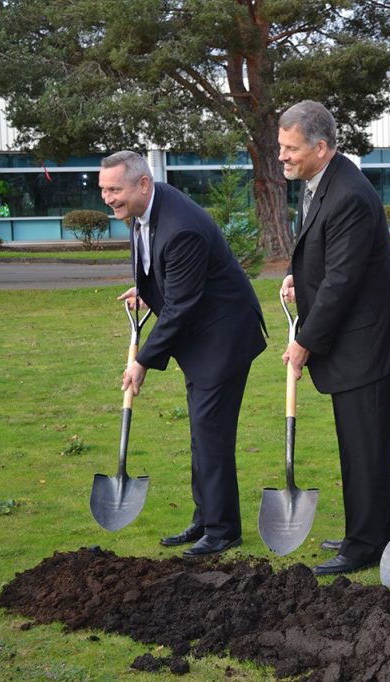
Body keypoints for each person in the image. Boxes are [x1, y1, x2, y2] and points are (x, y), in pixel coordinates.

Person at [99, 150, 266, 558]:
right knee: (201, 431)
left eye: (114, 189)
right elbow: (169, 273)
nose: (107, 198)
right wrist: (148, 288)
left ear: (142, 184)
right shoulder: (146, 210)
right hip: (201, 336)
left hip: (223, 338)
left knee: (211, 433)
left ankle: (223, 529)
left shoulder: (181, 227)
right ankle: (205, 516)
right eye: (103, 190)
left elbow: (180, 308)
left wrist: (141, 361)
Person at [277, 100, 390, 576]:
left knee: (366, 449)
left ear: (320, 147)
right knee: (357, 446)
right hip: (352, 344)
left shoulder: (349, 194)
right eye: (280, 147)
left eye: (291, 148)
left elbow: (342, 281)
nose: (283, 157)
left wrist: (305, 340)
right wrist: (298, 275)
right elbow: (317, 247)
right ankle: (366, 530)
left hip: (366, 345)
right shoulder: (317, 184)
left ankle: (366, 544)